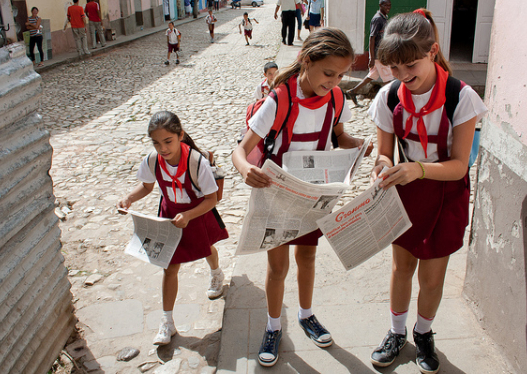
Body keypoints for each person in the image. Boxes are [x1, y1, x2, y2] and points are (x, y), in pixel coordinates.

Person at [232, 28, 373, 367]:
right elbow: (241, 149)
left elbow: (339, 135)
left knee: (307, 260)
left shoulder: (337, 99)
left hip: (313, 192)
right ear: (306, 61)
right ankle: (273, 325)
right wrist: (244, 170)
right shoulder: (280, 99)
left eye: (341, 75)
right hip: (278, 191)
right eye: (329, 73)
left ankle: (306, 315)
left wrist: (356, 146)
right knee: (277, 266)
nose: (335, 81)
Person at [367, 9, 487, 373]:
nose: (404, 77)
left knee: (432, 277)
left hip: (447, 192)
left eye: (411, 67)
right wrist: (383, 168)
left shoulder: (461, 97)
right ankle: (396, 331)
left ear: (432, 51)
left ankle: (423, 333)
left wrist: (417, 169)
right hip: (406, 193)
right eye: (395, 70)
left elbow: (459, 165)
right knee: (401, 268)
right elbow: (385, 154)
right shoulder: (389, 98)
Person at [118, 111, 229, 346]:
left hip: (196, 213)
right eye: (156, 143)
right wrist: (129, 198)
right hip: (170, 216)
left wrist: (189, 215)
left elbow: (211, 199)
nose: (163, 148)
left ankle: (216, 273)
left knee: (207, 248)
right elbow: (147, 187)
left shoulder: (196, 162)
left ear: (181, 135)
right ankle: (167, 321)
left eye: (168, 141)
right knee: (169, 267)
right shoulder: (152, 160)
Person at [348, 0, 393, 106]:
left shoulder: (384, 18)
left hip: (381, 53)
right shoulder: (377, 19)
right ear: (380, 5)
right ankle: (388, 101)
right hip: (378, 55)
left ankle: (353, 91)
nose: (388, 8)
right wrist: (371, 58)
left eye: (389, 5)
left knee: (372, 76)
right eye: (386, 5)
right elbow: (372, 38)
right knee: (388, 80)